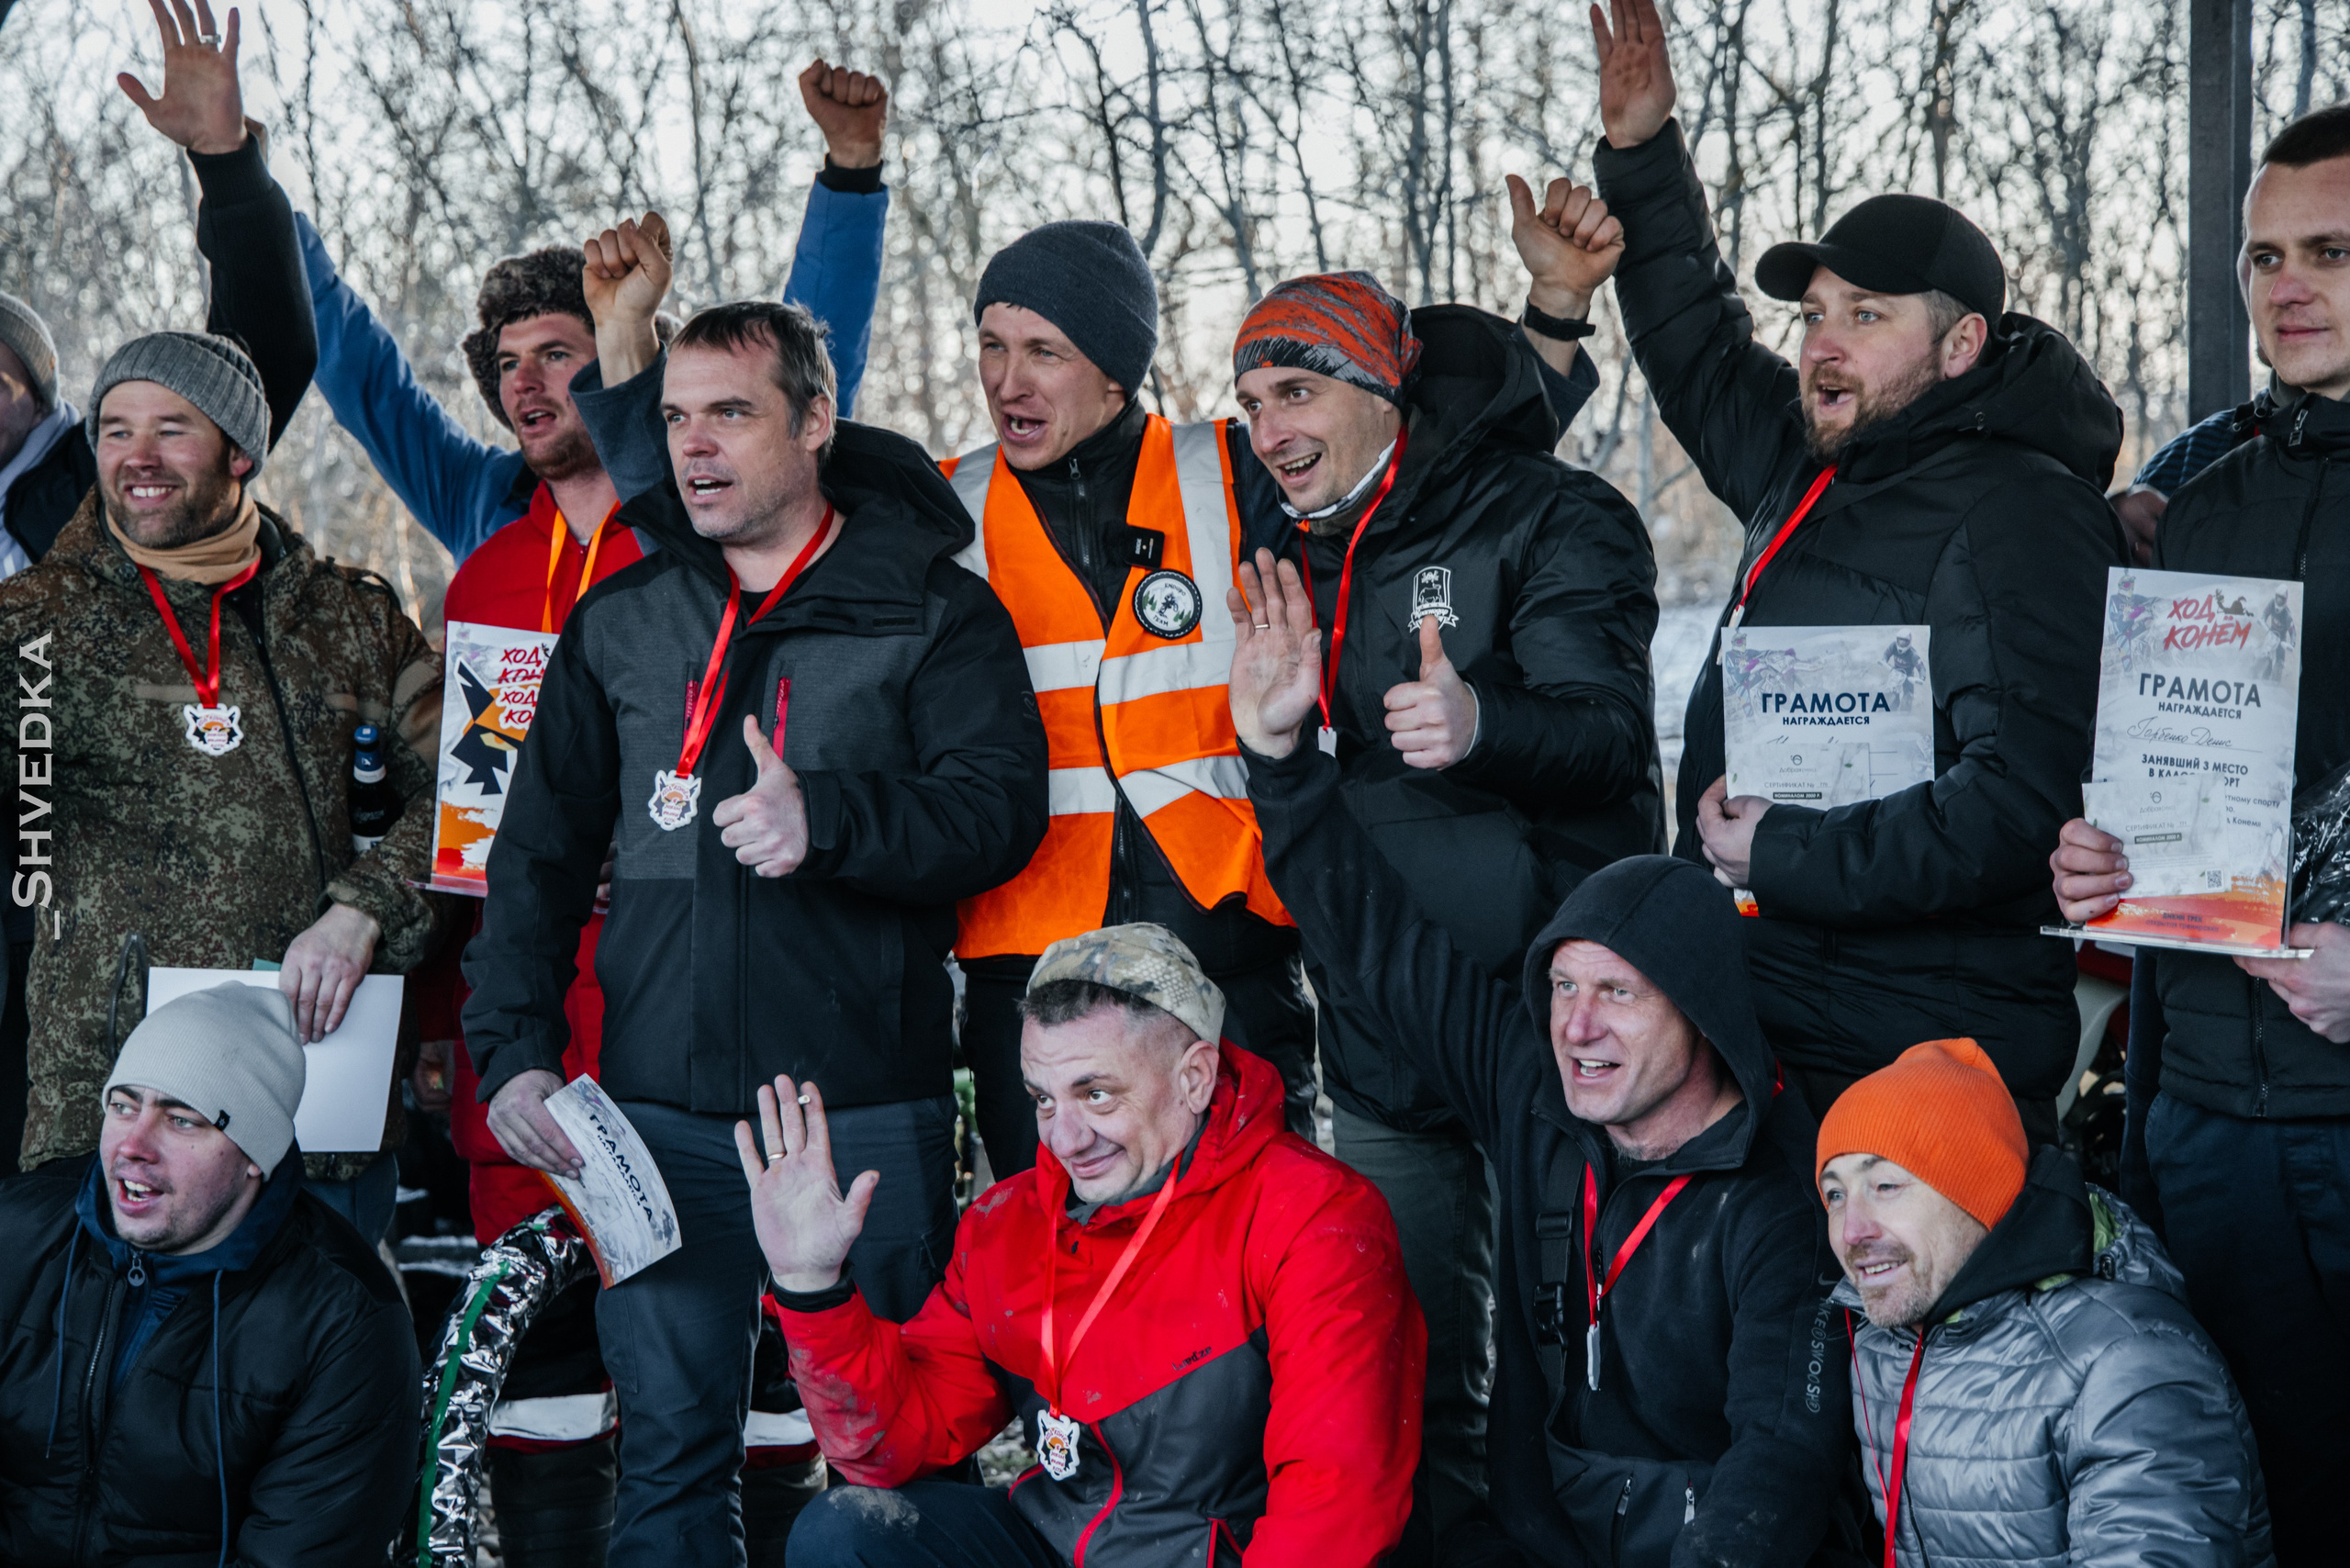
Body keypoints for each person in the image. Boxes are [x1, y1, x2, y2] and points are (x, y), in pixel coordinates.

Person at [461, 289, 1048, 1566]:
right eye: (677, 417)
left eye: (729, 413)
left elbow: (999, 812)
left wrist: (827, 818)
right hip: (657, 1119)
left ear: (815, 421)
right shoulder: (622, 618)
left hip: (859, 1116)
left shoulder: (931, 609)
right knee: (668, 1465)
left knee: (895, 1466)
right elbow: (536, 859)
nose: (694, 445)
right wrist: (512, 1050)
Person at [1225, 555, 1865, 1568]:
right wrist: (1281, 762)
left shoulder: (1783, 1195)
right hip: (1540, 1537)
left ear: (1700, 1010)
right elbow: (1380, 945)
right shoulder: (1535, 1094)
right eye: (1563, 987)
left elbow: (1782, 1457)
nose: (1577, 1025)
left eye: (1618, 993)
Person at [1582, 0, 2125, 1141]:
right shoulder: (1811, 460)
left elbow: (2021, 800)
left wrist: (1781, 850)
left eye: (1864, 315)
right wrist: (1640, 154)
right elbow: (1695, 344)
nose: (1821, 343)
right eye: (1814, 314)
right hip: (1770, 1010)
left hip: (1922, 1058)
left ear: (1961, 344)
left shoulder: (2025, 509)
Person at [1226, 264, 1660, 1556]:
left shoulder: (1548, 513)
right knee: (1406, 1369)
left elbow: (1611, 737)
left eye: (1295, 391)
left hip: (1544, 1029)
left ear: (1383, 389)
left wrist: (1484, 725)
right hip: (1376, 1029)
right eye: (1249, 403)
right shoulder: (1277, 542)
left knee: (1572, 1364)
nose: (1268, 430)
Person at [2049, 101, 2350, 1568]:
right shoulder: (2199, 504)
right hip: (2209, 1114)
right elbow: (2152, 771)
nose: (2287, 286)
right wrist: (2101, 864)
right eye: (2264, 257)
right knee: (2254, 1496)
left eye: (2332, 252)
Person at [765, 923, 1425, 1567]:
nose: (1065, 1139)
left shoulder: (1313, 1215)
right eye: (1043, 1100)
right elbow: (895, 1443)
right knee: (846, 1531)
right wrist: (812, 1285)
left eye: (1097, 1094)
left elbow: (1335, 1500)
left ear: (1195, 1078)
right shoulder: (1008, 1221)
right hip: (1059, 1536)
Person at [0, 331, 444, 1206]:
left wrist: (367, 910)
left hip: (315, 1116)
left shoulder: (350, 620)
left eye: (171, 430)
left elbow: (478, 792)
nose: (137, 457)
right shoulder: (34, 621)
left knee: (322, 1300)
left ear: (240, 452)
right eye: (116, 431)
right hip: (110, 1129)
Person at [0, 0, 319, 1206]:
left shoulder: (113, 491)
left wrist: (228, 168)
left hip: (123, 912)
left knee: (109, 1203)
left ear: (39, 392)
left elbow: (260, 358)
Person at [0, 981, 420, 1563]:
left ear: (255, 1155)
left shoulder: (344, 1323)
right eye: (123, 1106)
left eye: (182, 1120)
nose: (133, 1145)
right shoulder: (17, 1234)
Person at [1817, 1037, 2272, 1566]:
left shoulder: (2126, 1363)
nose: (1851, 1231)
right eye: (1836, 1194)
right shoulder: (1880, 1338)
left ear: (1976, 1190)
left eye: (1886, 1186)